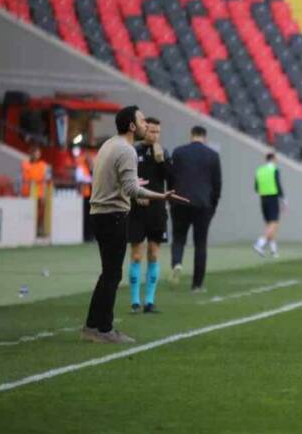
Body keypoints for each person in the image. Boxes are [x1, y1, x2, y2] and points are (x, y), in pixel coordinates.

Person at [82, 106, 186, 344]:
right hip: (113, 215)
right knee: (112, 274)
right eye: (141, 120)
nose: (145, 125)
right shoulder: (127, 150)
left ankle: (91, 325)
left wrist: (131, 181)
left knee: (107, 273)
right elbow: (131, 190)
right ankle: (104, 329)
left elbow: (112, 178)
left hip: (99, 214)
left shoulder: (110, 144)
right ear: (131, 126)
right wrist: (163, 196)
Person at [169, 125, 222, 291]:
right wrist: (212, 206)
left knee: (178, 238)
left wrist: (171, 200)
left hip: (180, 201)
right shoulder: (213, 155)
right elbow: (217, 184)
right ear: (204, 137)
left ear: (191, 135)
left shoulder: (178, 152)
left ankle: (177, 263)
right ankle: (197, 284)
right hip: (203, 203)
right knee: (200, 244)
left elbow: (171, 178)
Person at [128, 117, 172, 313]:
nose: (154, 135)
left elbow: (171, 179)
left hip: (157, 210)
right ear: (144, 130)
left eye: (157, 132)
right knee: (136, 255)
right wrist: (135, 194)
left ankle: (150, 302)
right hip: (137, 210)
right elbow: (125, 178)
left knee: (153, 253)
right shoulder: (133, 151)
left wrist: (161, 160)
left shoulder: (163, 152)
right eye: (151, 131)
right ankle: (135, 301)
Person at [253, 152, 284, 257]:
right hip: (273, 197)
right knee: (274, 223)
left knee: (269, 225)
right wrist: (283, 199)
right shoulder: (274, 170)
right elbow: (278, 185)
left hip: (263, 198)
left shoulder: (259, 170)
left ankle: (273, 250)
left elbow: (256, 187)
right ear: (273, 159)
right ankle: (260, 243)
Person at [21, 144, 50, 237]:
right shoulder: (25, 164)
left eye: (38, 153)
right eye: (36, 153)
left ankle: (39, 231)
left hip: (40, 193)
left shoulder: (43, 165)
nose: (37, 155)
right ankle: (29, 231)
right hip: (28, 193)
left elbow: (45, 178)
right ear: (31, 154)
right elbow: (26, 178)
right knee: (29, 214)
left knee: (40, 214)